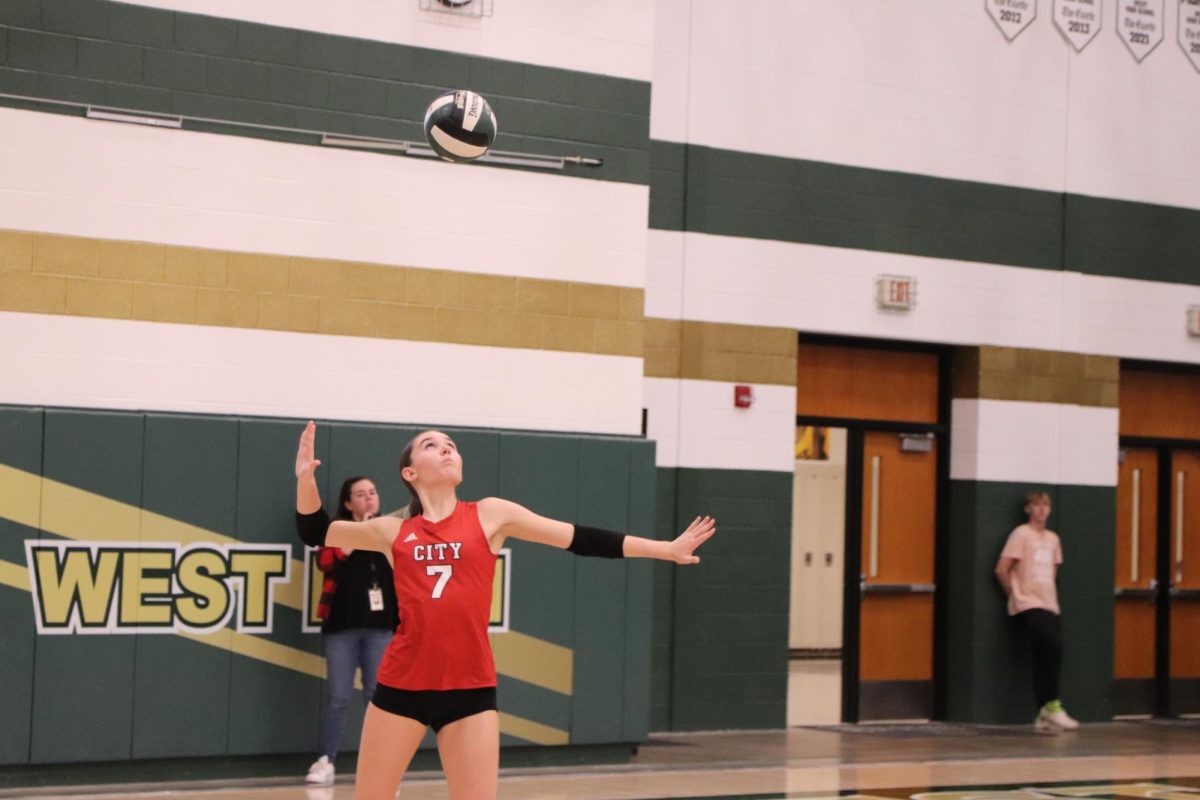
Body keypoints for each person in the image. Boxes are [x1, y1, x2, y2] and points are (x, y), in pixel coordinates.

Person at [294, 421, 715, 800]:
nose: (446, 449)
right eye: (431, 444)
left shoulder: (490, 514)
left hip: (470, 692)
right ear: (410, 473)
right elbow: (315, 530)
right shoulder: (393, 530)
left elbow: (578, 538)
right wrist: (304, 480)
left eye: (451, 445)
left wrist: (664, 549)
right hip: (401, 688)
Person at [305, 476, 400, 786]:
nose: (369, 499)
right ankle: (325, 761)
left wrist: (377, 533)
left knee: (378, 697)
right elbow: (325, 561)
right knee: (338, 696)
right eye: (361, 495)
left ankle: (381, 769)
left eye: (373, 492)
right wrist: (356, 537)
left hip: (381, 628)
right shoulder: (337, 531)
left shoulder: (388, 531)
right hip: (341, 627)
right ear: (348, 503)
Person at [994, 490, 1079, 733]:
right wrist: (1016, 594)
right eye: (1036, 505)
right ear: (1028, 509)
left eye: (1045, 505)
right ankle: (1053, 706)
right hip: (1027, 603)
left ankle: (1043, 714)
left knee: (1047, 654)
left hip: (1049, 603)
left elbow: (1052, 572)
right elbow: (1001, 569)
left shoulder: (1053, 539)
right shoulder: (1021, 534)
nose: (1042, 509)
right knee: (1054, 646)